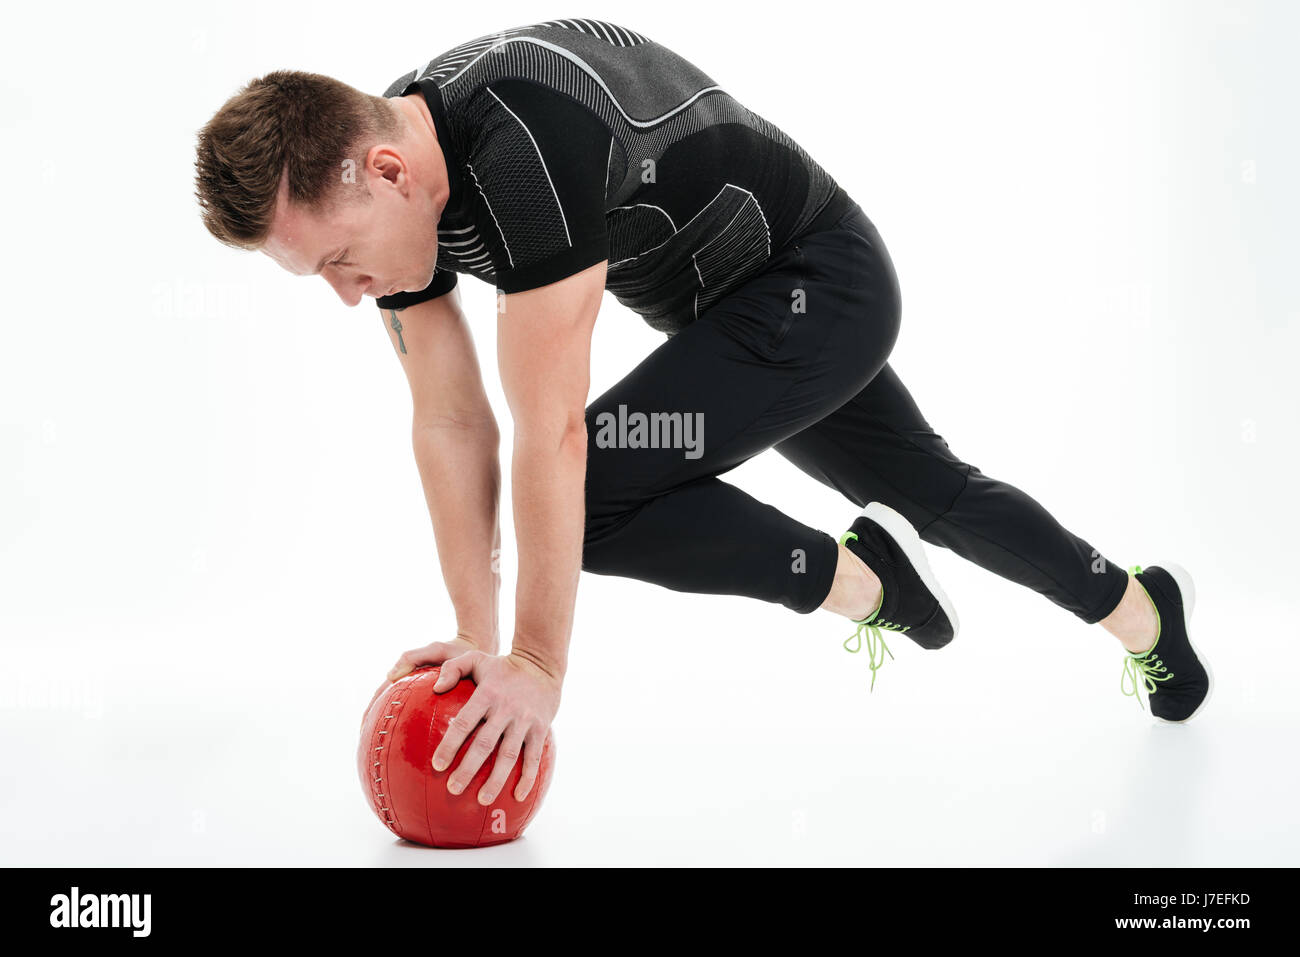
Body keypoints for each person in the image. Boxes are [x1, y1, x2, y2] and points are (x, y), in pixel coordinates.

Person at [193, 18, 1212, 808]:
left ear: (385, 173)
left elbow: (550, 434)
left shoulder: (519, 153)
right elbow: (452, 422)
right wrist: (476, 631)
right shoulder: (404, 182)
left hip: (822, 288)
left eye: (334, 260)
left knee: (589, 495)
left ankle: (865, 578)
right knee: (930, 488)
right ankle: (1142, 612)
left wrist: (538, 663)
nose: (343, 293)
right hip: (738, 319)